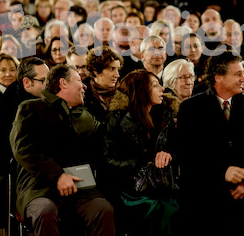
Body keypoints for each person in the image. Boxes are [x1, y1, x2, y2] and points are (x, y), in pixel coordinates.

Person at [10, 64, 115, 236]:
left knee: (103, 209)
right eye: (79, 80)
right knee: (45, 212)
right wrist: (57, 176)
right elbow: (23, 149)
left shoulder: (84, 115)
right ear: (63, 83)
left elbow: (107, 137)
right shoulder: (31, 108)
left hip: (80, 188)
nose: (85, 86)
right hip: (39, 187)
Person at [177, 46, 244, 236]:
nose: (243, 79)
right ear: (219, 77)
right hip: (205, 200)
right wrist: (221, 173)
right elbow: (187, 158)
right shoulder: (190, 108)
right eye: (238, 74)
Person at [102, 70, 180, 235]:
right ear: (140, 90)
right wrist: (142, 161)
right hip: (130, 185)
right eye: (155, 85)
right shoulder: (117, 118)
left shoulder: (166, 113)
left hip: (162, 182)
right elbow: (107, 160)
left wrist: (169, 153)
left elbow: (179, 147)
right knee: (160, 208)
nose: (162, 88)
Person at [0, 57, 49, 170]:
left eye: (49, 79)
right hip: (16, 172)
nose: (48, 85)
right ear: (27, 82)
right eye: (43, 81)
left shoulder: (52, 101)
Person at [85, 45, 124, 123]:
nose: (117, 75)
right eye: (111, 69)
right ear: (96, 70)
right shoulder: (83, 94)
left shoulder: (125, 93)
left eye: (117, 69)